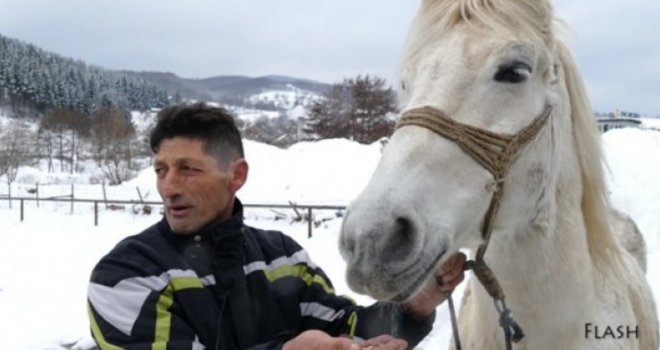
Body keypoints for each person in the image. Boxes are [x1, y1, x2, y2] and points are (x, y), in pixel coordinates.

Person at [87, 102, 466, 350]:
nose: (168, 187)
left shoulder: (281, 256)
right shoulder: (125, 275)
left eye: (188, 169)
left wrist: (413, 307)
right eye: (161, 170)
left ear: (236, 176)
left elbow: (347, 325)